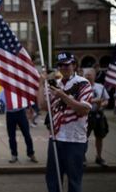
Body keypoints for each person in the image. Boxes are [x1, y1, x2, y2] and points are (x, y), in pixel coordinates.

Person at [38, 52, 93, 192]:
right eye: (60, 65)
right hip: (56, 138)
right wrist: (40, 83)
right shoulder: (55, 84)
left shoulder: (83, 83)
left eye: (67, 64)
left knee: (74, 182)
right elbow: (43, 106)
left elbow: (84, 110)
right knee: (53, 180)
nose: (63, 67)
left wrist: (63, 96)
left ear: (74, 65)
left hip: (75, 140)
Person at [84, 68, 110, 167]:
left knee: (99, 136)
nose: (88, 76)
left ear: (94, 76)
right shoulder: (82, 87)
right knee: (84, 137)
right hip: (87, 115)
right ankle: (82, 157)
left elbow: (106, 100)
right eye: (86, 75)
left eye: (90, 74)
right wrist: (96, 101)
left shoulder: (100, 87)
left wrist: (102, 104)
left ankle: (99, 157)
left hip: (98, 115)